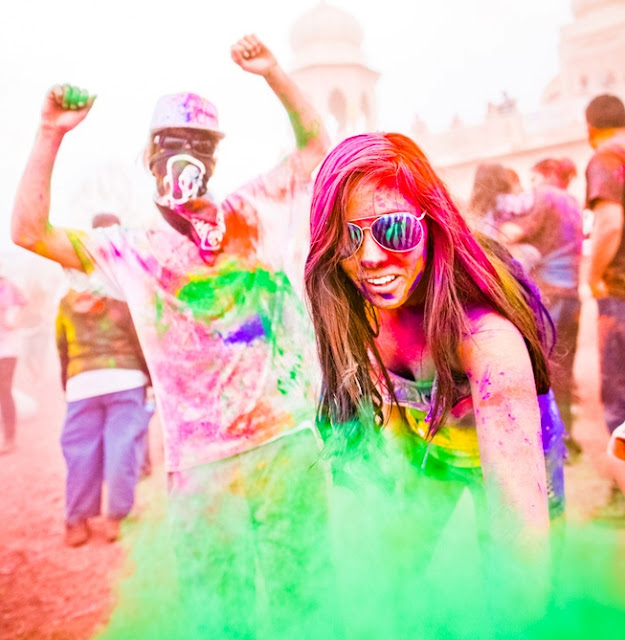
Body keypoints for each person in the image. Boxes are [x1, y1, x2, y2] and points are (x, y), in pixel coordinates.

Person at [12, 35, 335, 638]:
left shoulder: (254, 210)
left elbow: (319, 148)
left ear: (214, 160)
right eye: (168, 146)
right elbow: (29, 232)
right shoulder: (131, 250)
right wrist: (50, 132)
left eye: (196, 146)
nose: (181, 158)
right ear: (148, 160)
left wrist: (275, 75)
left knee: (308, 610)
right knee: (221, 622)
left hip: (285, 445)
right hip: (202, 469)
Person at [305, 132, 566, 539]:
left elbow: (519, 537)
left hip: (518, 452)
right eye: (348, 236)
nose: (370, 257)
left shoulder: (486, 339)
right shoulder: (358, 316)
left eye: (393, 229)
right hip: (433, 450)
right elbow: (391, 457)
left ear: (433, 226)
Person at [56, 213, 152, 547]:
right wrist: (150, 380)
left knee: (80, 451)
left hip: (82, 382)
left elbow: (62, 347)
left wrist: (67, 383)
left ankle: (76, 522)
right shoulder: (123, 293)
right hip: (126, 379)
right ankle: (117, 518)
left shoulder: (67, 300)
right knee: (121, 447)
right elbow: (141, 340)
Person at [493, 158, 584, 460]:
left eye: (533, 179)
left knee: (546, 370)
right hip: (570, 295)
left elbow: (516, 233)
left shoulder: (545, 197)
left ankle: (557, 444)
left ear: (545, 174)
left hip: (549, 297)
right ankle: (568, 440)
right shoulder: (571, 201)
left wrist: (492, 225)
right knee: (564, 371)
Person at [584, 93, 625, 523]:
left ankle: (621, 494)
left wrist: (594, 275)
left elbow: (610, 223)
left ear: (591, 127)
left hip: (621, 293)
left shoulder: (607, 157)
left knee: (619, 395)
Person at [0, 267, 27, 454]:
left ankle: (10, 438)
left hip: (7, 349)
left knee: (4, 390)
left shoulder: (6, 287)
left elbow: (22, 307)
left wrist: (13, 319)